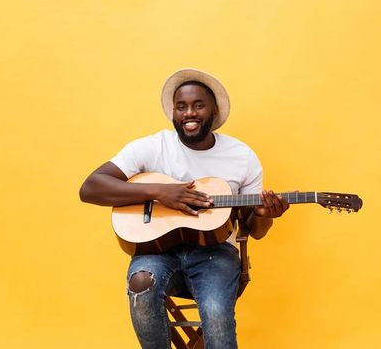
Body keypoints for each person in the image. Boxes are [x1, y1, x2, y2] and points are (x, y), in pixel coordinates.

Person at [78, 69, 290, 349]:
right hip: (157, 251)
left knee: (215, 313)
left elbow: (255, 230)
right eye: (182, 107)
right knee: (142, 283)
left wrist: (263, 215)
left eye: (198, 105)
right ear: (174, 112)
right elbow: (90, 187)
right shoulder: (152, 147)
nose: (189, 113)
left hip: (216, 254)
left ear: (214, 111)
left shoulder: (242, 156)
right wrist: (159, 191)